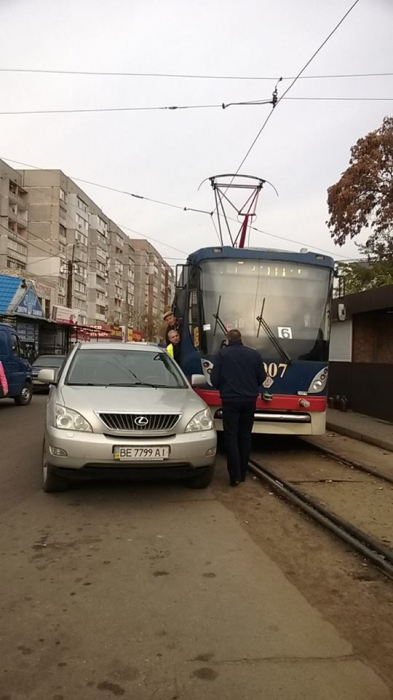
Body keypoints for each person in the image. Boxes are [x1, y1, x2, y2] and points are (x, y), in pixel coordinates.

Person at [211, 329, 265, 486]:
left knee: (231, 436)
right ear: (241, 338)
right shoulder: (254, 354)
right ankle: (243, 473)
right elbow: (261, 377)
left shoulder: (222, 354)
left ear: (227, 340)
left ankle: (234, 476)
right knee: (245, 435)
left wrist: (225, 387)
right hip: (249, 400)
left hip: (230, 400)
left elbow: (214, 379)